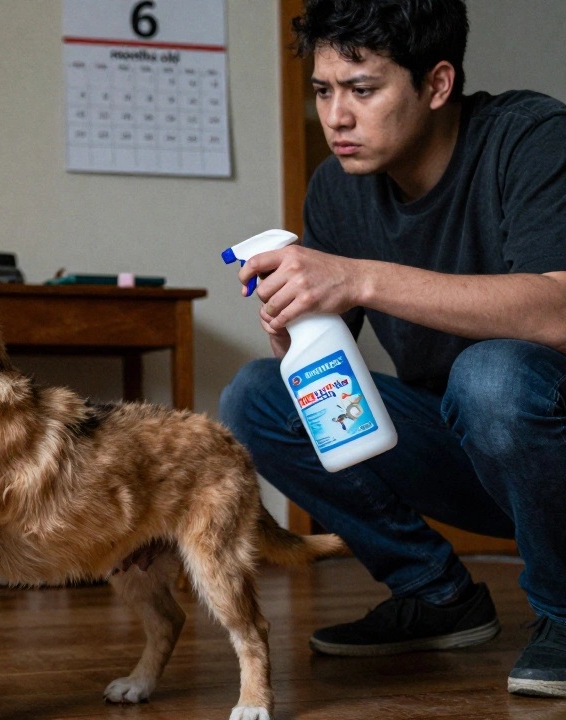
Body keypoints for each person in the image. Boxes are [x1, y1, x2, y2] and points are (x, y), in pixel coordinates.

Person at [218, 0, 566, 699]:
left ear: (437, 85)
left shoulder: (533, 138)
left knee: (492, 373)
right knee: (258, 397)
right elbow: (328, 373)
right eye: (323, 91)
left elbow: (559, 310)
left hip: (542, 435)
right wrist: (294, 329)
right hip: (466, 449)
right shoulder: (337, 191)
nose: (336, 117)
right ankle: (436, 595)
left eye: (362, 89)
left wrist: (360, 277)